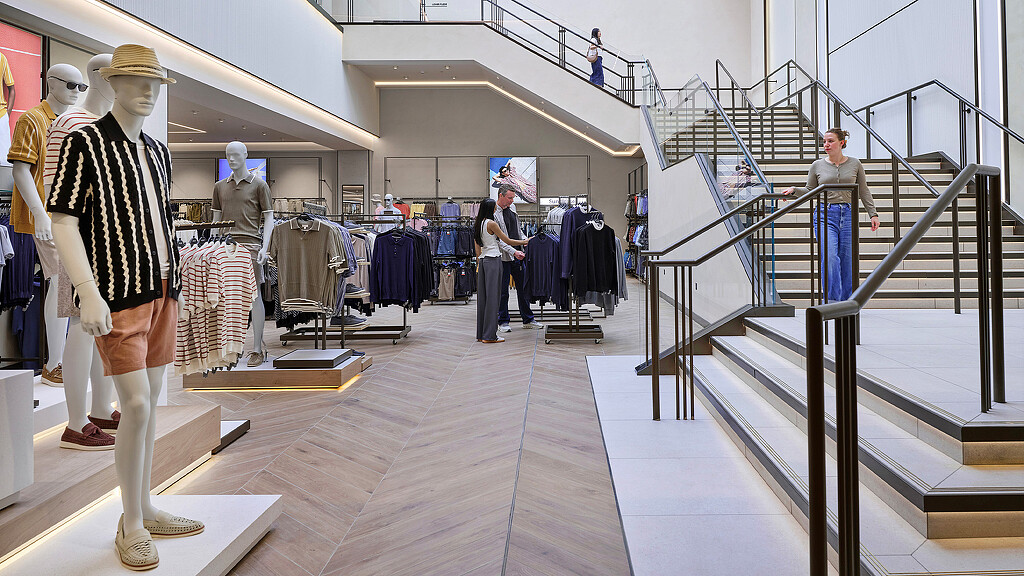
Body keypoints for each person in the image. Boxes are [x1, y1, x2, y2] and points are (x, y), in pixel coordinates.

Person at [783, 128, 880, 302]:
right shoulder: (817, 165)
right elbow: (810, 190)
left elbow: (863, 190)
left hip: (849, 214)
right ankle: (832, 302)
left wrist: (873, 213)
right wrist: (794, 190)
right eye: (824, 142)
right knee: (830, 257)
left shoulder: (855, 164)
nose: (826, 145)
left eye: (830, 141)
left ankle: (847, 303)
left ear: (841, 143)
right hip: (825, 214)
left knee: (847, 261)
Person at [474, 197, 528, 343]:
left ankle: (482, 334)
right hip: (493, 261)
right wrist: (525, 241)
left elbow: (477, 245)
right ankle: (490, 335)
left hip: (484, 261)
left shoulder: (479, 223)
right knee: (494, 298)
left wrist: (479, 261)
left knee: (484, 299)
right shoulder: (491, 223)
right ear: (491, 208)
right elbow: (507, 240)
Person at [493, 184, 544, 332]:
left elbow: (517, 229)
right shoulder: (494, 213)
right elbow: (499, 240)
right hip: (503, 257)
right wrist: (513, 251)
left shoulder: (512, 208)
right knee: (503, 291)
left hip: (518, 255)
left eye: (513, 198)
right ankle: (503, 321)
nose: (512, 200)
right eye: (509, 198)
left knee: (523, 288)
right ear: (501, 195)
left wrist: (526, 241)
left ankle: (528, 319)